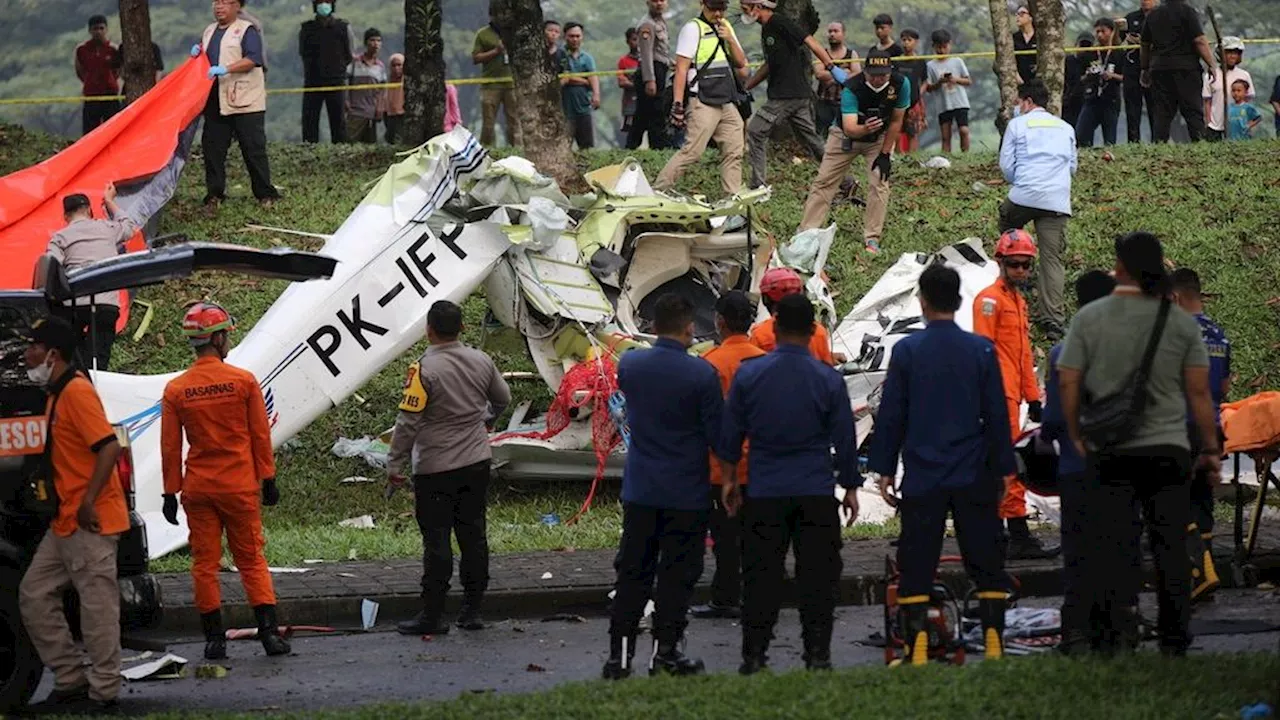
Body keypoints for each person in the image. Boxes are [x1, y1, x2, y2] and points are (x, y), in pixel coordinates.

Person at [1057, 231, 1222, 655]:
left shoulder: (1090, 320)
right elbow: (1200, 393)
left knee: (1115, 542)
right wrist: (1209, 448)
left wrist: (1076, 433)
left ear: (1120, 268)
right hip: (1167, 449)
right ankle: (1174, 636)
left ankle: (1116, 632)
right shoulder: (1180, 322)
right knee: (1169, 546)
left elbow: (1070, 380)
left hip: (1111, 451)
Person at [870, 265, 1014, 664]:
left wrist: (883, 467)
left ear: (923, 301)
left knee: (917, 558)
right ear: (958, 300)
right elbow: (996, 415)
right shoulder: (981, 351)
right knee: (985, 557)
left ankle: (916, 646)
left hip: (924, 473)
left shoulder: (907, 351)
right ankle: (993, 642)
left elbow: (892, 415)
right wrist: (1004, 466)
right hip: (974, 472)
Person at [720, 293, 860, 674]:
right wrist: (849, 486)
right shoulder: (827, 379)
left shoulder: (751, 374)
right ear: (814, 330)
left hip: (764, 490)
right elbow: (845, 439)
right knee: (818, 576)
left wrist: (730, 481)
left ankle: (755, 655)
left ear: (776, 328)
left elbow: (730, 435)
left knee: (760, 576)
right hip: (815, 490)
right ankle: (818, 654)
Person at [603, 293, 726, 679]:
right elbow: (718, 438)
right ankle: (666, 652)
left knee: (632, 574)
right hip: (686, 493)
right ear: (690, 328)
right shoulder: (702, 374)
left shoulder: (632, 365)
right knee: (677, 576)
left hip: (641, 489)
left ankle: (619, 657)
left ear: (653, 327)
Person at [160, 302, 290, 661]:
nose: (228, 340)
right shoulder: (243, 382)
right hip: (238, 488)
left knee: (204, 563)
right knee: (251, 560)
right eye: (226, 335)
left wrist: (169, 492)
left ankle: (214, 640)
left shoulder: (176, 389)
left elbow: (170, 447)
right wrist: (269, 478)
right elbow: (259, 436)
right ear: (216, 339)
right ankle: (269, 636)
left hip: (198, 489)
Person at [18, 317, 127, 715]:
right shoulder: (57, 393)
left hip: (88, 520)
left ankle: (103, 693)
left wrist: (88, 501)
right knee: (33, 595)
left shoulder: (77, 392)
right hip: (66, 520)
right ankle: (70, 679)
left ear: (53, 353)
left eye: (33, 345)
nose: (27, 353)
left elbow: (109, 448)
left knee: (97, 608)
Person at [388, 301, 511, 635]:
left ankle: (432, 615)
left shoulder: (423, 370)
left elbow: (408, 421)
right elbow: (503, 398)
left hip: (434, 467)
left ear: (429, 329)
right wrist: (485, 421)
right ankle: (472, 610)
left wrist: (394, 462)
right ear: (462, 328)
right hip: (476, 461)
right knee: (474, 536)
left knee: (437, 540)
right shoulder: (481, 360)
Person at [1042, 269, 1115, 654]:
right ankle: (1117, 629)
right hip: (1121, 466)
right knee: (1117, 547)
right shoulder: (1130, 351)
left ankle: (1077, 633)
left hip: (1075, 468)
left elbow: (1053, 419)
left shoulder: (1062, 353)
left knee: (1079, 551)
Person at [973, 229, 1056, 560]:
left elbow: (1022, 355)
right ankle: (1017, 534)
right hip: (998, 397)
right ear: (1000, 262)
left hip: (1013, 397)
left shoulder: (1017, 302)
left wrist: (1033, 396)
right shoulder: (989, 301)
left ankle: (1005, 534)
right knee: (1009, 465)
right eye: (1014, 264)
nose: (1020, 270)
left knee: (1009, 463)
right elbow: (984, 351)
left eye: (1025, 265)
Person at [690, 291, 765, 620]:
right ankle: (760, 594)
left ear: (719, 321)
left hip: (722, 467)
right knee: (759, 535)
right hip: (763, 464)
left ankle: (725, 597)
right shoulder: (765, 360)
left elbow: (701, 420)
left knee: (725, 538)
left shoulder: (711, 364)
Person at [798, 50, 908, 254]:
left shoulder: (901, 84)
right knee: (825, 181)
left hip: (879, 138)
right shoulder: (852, 87)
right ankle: (806, 233)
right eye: (873, 74)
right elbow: (849, 127)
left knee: (879, 182)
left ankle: (872, 238)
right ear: (865, 71)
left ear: (890, 72)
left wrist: (884, 154)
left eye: (883, 74)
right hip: (845, 136)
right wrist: (865, 128)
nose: (878, 79)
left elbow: (896, 121)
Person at [998, 81, 1077, 339]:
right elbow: (1072, 168)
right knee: (1052, 260)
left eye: (1019, 103)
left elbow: (1006, 166)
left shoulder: (1017, 125)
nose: (1017, 107)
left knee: (1007, 222)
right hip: (1056, 201)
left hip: (1023, 196)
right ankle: (1053, 320)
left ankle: (1013, 266)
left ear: (1028, 101)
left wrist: (1022, 181)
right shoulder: (1066, 128)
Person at [1171, 268, 1230, 602]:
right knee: (1202, 500)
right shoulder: (1219, 335)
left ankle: (1197, 570)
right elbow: (1223, 386)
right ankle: (1205, 570)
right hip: (1213, 428)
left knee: (1174, 500)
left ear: (1176, 297)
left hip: (1180, 426)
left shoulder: (1175, 334)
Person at [740, 0, 841, 190]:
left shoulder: (779, 22)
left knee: (755, 131)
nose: (744, 13)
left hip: (785, 96)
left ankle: (757, 186)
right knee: (813, 142)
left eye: (745, 8)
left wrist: (831, 66)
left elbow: (809, 41)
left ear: (758, 7)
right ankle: (846, 182)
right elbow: (770, 64)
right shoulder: (767, 29)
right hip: (798, 96)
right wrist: (748, 85)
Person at [653, 0, 748, 197]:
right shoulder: (692, 29)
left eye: (722, 8)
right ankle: (657, 191)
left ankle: (732, 199)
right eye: (714, 8)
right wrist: (678, 104)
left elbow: (740, 63)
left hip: (727, 100)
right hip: (703, 101)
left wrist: (729, 38)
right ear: (703, 4)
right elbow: (681, 69)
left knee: (734, 151)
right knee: (692, 152)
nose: (718, 13)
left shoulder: (726, 27)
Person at [45, 184, 138, 371]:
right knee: (99, 360)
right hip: (106, 305)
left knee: (73, 358)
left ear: (66, 216)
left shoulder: (60, 237)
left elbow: (51, 266)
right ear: (89, 210)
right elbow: (129, 227)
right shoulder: (108, 227)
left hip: (73, 306)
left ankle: (77, 382)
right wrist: (110, 201)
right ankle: (97, 386)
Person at [199, 0, 280, 210]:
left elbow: (253, 59)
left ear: (237, 6)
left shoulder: (247, 29)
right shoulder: (209, 31)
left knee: (253, 148)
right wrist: (197, 56)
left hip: (246, 100)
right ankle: (214, 194)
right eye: (217, 2)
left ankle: (265, 194)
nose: (219, 6)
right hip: (215, 98)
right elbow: (204, 57)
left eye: (226, 2)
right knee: (213, 148)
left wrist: (225, 68)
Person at [1139, 0, 1218, 143]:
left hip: (1160, 69)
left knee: (1162, 112)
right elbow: (1199, 40)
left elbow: (1144, 44)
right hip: (1186, 69)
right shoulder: (1187, 12)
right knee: (1193, 109)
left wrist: (1145, 68)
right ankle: (1199, 143)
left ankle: (1159, 144)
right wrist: (1211, 64)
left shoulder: (1153, 14)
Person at [749, 267, 835, 364]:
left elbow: (752, 373)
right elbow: (826, 367)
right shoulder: (819, 331)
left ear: (766, 300)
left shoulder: (760, 335)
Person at [299, 0, 355, 143]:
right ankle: (309, 153)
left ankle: (340, 152)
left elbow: (349, 55)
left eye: (327, 1)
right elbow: (303, 54)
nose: (324, 4)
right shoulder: (306, 29)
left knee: (339, 124)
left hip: (336, 82)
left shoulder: (343, 27)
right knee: (309, 122)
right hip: (313, 82)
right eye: (320, 1)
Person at [472, 7, 521, 147]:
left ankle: (516, 149)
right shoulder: (483, 34)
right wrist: (496, 51)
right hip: (490, 84)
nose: (502, 18)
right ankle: (487, 148)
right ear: (491, 16)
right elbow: (476, 58)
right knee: (488, 121)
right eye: (499, 15)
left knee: (514, 119)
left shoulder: (514, 33)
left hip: (511, 83)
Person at [630, 0, 673, 150]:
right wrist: (650, 80)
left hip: (660, 67)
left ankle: (632, 144)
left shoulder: (661, 21)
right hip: (651, 70)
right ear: (648, 3)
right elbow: (646, 54)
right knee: (655, 110)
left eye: (662, 0)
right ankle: (658, 146)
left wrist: (671, 62)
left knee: (645, 111)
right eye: (655, 1)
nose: (659, 4)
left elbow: (660, 50)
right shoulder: (646, 24)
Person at [1076, 18, 1126, 148]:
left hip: (1111, 100)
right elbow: (1080, 77)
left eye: (1103, 31)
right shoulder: (1091, 53)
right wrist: (1088, 75)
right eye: (1097, 32)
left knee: (1109, 140)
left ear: (1111, 31)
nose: (1099, 35)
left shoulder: (1118, 52)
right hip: (1091, 99)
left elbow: (1126, 77)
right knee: (1081, 135)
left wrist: (1112, 75)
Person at [924, 30, 972, 153]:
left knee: (964, 130)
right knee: (946, 136)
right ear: (933, 47)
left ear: (950, 44)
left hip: (960, 102)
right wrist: (939, 82)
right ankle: (946, 158)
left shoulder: (957, 61)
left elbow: (968, 81)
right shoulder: (930, 65)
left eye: (944, 47)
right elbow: (929, 88)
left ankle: (965, 155)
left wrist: (955, 79)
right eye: (938, 48)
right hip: (943, 104)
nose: (942, 51)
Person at [75, 15, 121, 136]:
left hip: (110, 93)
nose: (98, 32)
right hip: (91, 94)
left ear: (106, 29)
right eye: (95, 29)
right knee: (90, 131)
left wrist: (110, 81)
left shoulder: (114, 49)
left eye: (101, 28)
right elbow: (79, 70)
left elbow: (119, 70)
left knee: (113, 128)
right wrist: (89, 82)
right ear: (90, 30)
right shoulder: (82, 49)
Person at [1202, 37, 1253, 142]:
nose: (1232, 56)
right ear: (1220, 54)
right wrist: (1208, 122)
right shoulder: (1211, 76)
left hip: (1237, 125)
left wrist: (1246, 123)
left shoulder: (1244, 75)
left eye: (1236, 53)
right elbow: (1207, 101)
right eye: (1229, 52)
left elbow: (1248, 100)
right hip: (1215, 125)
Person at [813, 22, 859, 137]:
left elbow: (857, 74)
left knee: (844, 135)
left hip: (844, 102)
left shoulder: (851, 54)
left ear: (843, 34)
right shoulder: (822, 53)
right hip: (824, 102)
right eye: (830, 31)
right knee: (821, 134)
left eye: (836, 31)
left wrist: (830, 75)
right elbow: (818, 74)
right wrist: (843, 74)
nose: (832, 34)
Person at [559, 22, 600, 150]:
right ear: (565, 37)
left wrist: (596, 94)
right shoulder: (559, 55)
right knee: (563, 146)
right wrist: (584, 80)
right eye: (571, 36)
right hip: (563, 108)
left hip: (583, 106)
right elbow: (563, 79)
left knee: (586, 146)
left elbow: (593, 76)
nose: (575, 39)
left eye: (578, 36)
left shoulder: (587, 58)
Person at [346, 28, 387, 144]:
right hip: (355, 112)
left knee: (369, 147)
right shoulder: (355, 63)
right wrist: (345, 100)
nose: (375, 44)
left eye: (378, 41)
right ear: (366, 43)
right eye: (372, 40)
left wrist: (380, 107)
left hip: (371, 113)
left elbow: (382, 90)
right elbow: (344, 82)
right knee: (349, 143)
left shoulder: (380, 67)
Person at [1123, 0, 1156, 142]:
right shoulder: (1130, 18)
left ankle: (1158, 141)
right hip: (1132, 68)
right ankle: (1133, 142)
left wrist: (1144, 41)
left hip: (1154, 68)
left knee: (1155, 107)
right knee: (1132, 109)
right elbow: (1119, 43)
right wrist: (1125, 36)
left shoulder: (1161, 16)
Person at [896, 28, 926, 153]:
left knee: (912, 131)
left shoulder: (920, 61)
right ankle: (898, 155)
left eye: (909, 40)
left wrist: (919, 94)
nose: (906, 43)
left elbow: (925, 80)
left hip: (913, 101)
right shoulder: (897, 61)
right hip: (898, 100)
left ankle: (912, 157)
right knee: (897, 128)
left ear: (916, 42)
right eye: (904, 40)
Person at [1063, 33, 1094, 128]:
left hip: (1086, 100)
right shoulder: (1068, 61)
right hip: (1069, 100)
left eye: (1087, 46)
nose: (1084, 49)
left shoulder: (1092, 61)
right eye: (1082, 45)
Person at [617, 28, 641, 146]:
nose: (637, 42)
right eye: (634, 39)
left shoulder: (648, 59)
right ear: (628, 41)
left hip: (647, 99)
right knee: (631, 130)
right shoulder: (624, 61)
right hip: (630, 101)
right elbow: (621, 82)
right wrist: (639, 85)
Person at [385, 52, 406, 143]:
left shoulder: (407, 81)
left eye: (399, 65)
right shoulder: (388, 81)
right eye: (393, 65)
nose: (396, 68)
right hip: (389, 115)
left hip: (403, 114)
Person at [1013, 4, 1037, 84]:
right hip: (1019, 82)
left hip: (1038, 83)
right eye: (1016, 14)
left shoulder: (1040, 38)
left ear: (1031, 17)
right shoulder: (1013, 38)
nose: (1018, 17)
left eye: (1022, 14)